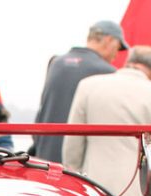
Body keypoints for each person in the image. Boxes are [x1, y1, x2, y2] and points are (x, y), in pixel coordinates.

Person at [62, 45, 151, 196]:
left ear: (127, 62)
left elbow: (72, 148)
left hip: (94, 194)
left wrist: (76, 188)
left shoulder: (87, 86)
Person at [32, 21, 126, 162]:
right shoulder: (107, 72)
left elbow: (42, 112)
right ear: (109, 40)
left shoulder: (56, 63)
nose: (116, 55)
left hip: (44, 156)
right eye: (117, 48)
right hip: (77, 163)